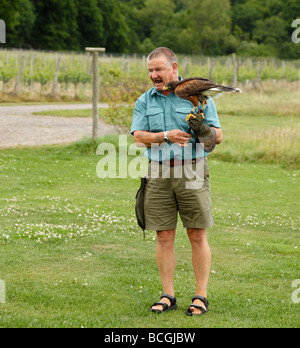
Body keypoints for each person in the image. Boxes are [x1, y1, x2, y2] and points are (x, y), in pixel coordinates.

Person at [131, 47, 222, 316]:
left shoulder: (195, 95)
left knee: (196, 233)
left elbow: (216, 137)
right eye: (150, 71)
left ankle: (200, 296)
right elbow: (138, 136)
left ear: (174, 67)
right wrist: (165, 136)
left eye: (158, 69)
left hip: (192, 169)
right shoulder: (145, 100)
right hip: (158, 172)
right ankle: (168, 295)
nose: (153, 75)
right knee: (163, 236)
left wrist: (203, 130)